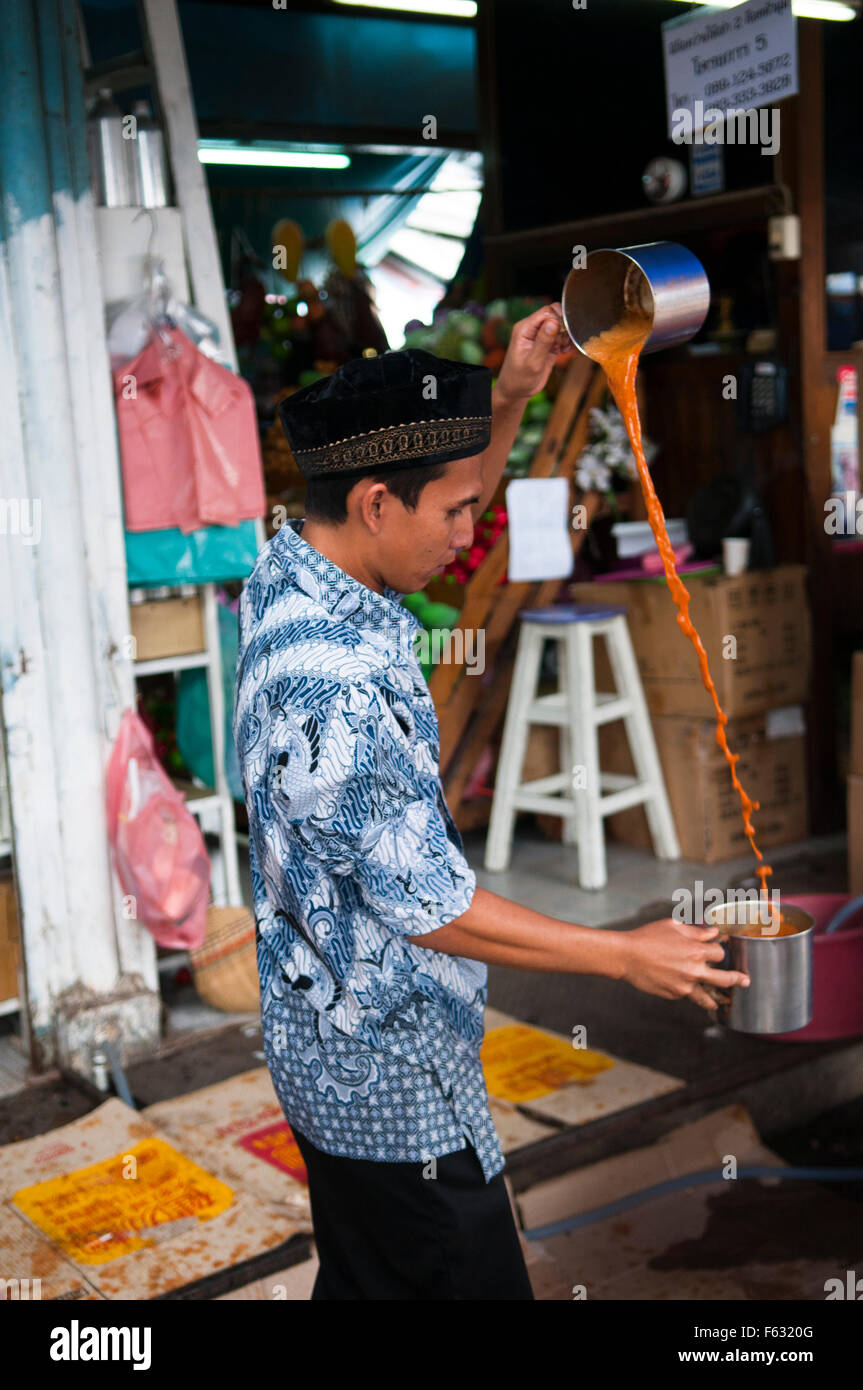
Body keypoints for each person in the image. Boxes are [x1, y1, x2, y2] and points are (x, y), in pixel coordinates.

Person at [232, 306, 751, 1301]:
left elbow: (442, 488)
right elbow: (434, 906)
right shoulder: (330, 689)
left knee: (364, 1279)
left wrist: (508, 394)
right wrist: (621, 954)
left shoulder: (297, 567)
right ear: (379, 503)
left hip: (320, 1043)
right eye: (458, 514)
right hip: (387, 1078)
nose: (472, 535)